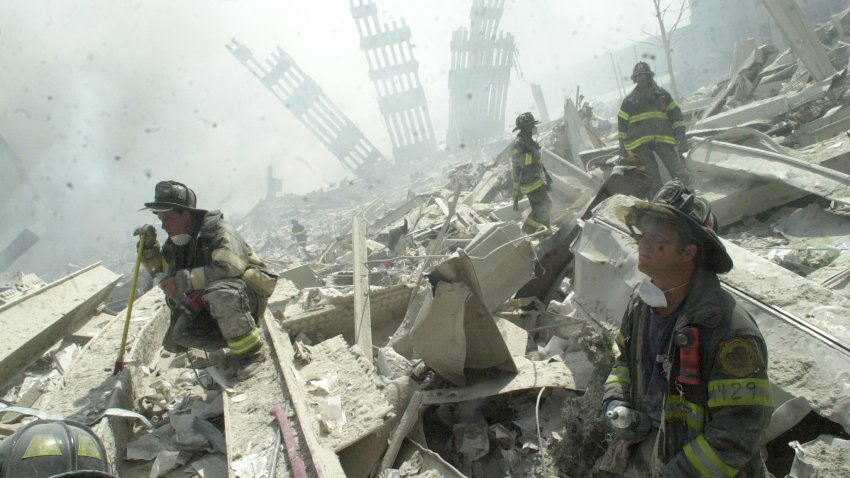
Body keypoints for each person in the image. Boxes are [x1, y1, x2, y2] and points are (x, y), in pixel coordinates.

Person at [601, 179, 772, 477]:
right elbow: (624, 361)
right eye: (642, 234)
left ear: (688, 252)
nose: (644, 243)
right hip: (646, 458)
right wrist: (615, 400)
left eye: (658, 238)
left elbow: (738, 432)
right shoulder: (642, 306)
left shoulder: (728, 330)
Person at [134, 180, 277, 375]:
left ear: (186, 213)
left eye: (168, 219)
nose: (164, 226)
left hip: (248, 295)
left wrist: (182, 281)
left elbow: (228, 268)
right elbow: (162, 273)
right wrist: (149, 249)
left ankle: (251, 355)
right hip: (217, 301)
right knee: (180, 335)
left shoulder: (218, 230)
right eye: (160, 220)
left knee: (220, 293)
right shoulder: (176, 243)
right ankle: (237, 339)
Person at [617, 62, 694, 198]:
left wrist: (680, 134)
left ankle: (691, 197)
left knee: (679, 172)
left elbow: (676, 114)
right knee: (653, 179)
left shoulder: (662, 95)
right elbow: (622, 125)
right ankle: (660, 205)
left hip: (663, 139)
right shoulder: (629, 101)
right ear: (635, 79)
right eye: (639, 77)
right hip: (640, 145)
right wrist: (622, 146)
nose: (641, 79)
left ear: (649, 77)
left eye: (644, 76)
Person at [510, 112, 553, 234]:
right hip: (530, 183)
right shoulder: (519, 142)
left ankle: (546, 234)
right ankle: (527, 230)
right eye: (531, 125)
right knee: (546, 206)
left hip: (536, 180)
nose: (534, 127)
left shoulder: (528, 140)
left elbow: (537, 163)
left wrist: (546, 176)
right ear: (524, 128)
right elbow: (517, 160)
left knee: (540, 208)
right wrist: (534, 156)